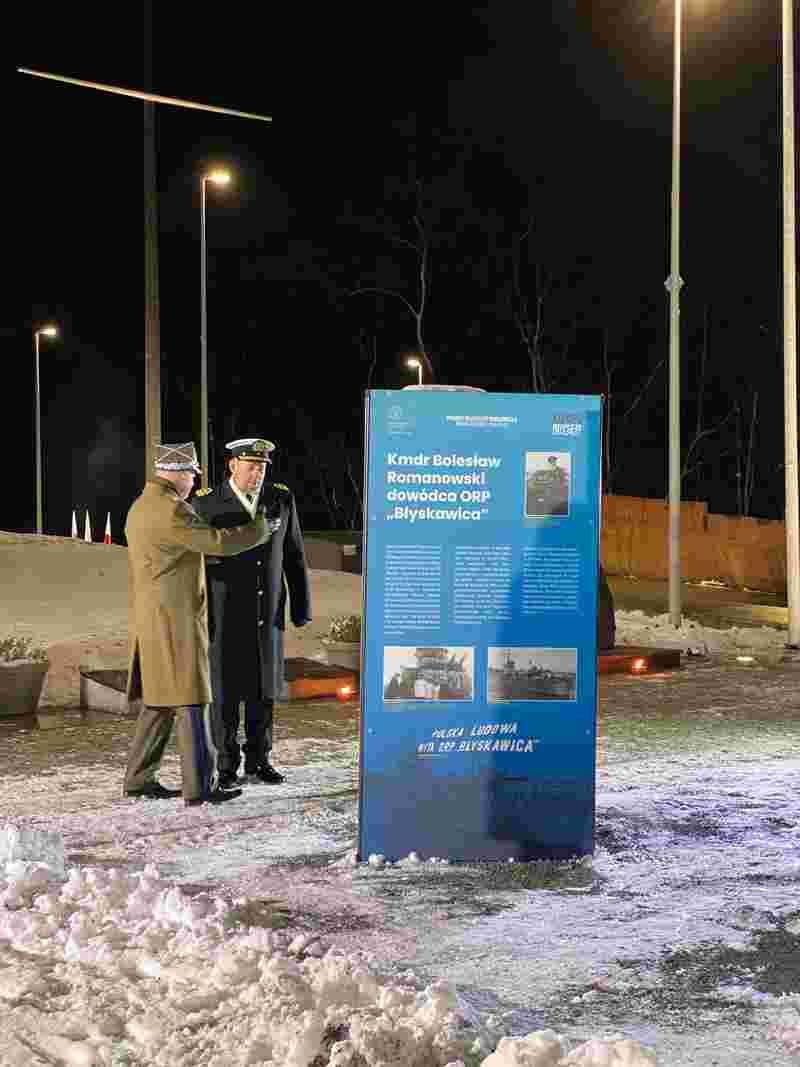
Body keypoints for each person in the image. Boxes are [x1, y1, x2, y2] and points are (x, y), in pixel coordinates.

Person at [123, 441, 280, 807]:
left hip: (154, 617)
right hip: (176, 619)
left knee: (159, 702)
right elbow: (215, 541)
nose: (194, 481)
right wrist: (260, 529)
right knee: (192, 699)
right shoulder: (171, 509)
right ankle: (201, 786)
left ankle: (138, 779)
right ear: (177, 473)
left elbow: (175, 552)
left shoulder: (141, 505)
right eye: (192, 474)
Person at [193, 437, 312, 787]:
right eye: (251, 467)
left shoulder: (280, 498)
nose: (257, 474)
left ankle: (259, 759)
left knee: (265, 691)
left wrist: (301, 608)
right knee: (225, 694)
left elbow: (294, 554)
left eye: (262, 468)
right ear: (232, 466)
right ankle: (226, 765)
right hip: (224, 614)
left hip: (266, 613)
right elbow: (196, 562)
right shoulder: (207, 503)